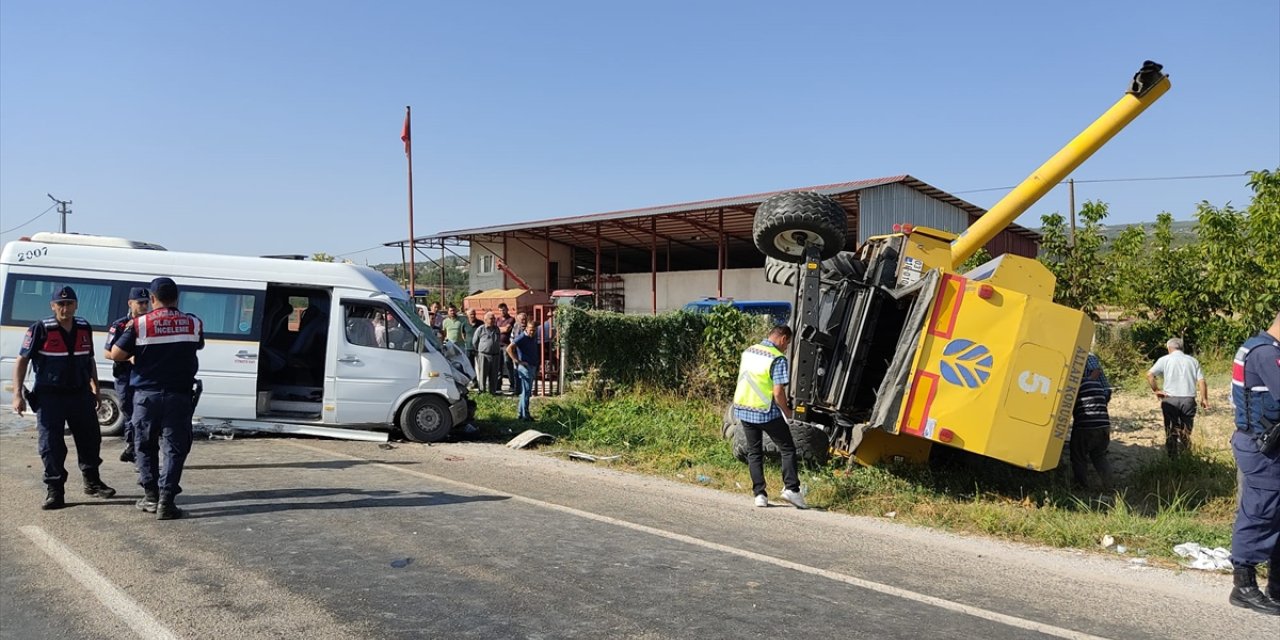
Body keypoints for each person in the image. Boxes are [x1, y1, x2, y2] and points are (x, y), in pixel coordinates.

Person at [11, 286, 117, 510]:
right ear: (53, 306)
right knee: (51, 445)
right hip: (50, 397)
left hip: (80, 394)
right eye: (60, 304)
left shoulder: (83, 327)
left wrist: (96, 388)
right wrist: (17, 395)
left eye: (69, 303)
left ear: (76, 305)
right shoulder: (40, 329)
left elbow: (89, 359)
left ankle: (92, 482)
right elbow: (22, 361)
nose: (65, 308)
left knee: (90, 440)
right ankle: (55, 490)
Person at [107, 277, 204, 520]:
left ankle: (151, 496)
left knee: (145, 445)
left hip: (146, 397)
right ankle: (166, 502)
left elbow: (116, 353)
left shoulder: (139, 324)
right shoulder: (193, 322)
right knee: (174, 448)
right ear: (177, 298)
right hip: (179, 396)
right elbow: (198, 345)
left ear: (152, 298)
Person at [1226, 311, 1280, 615]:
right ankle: (1243, 587)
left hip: (1263, 445)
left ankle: (1276, 588)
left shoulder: (1260, 347)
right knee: (1260, 511)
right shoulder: (1265, 353)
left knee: (1275, 513)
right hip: (1262, 448)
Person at [732, 325, 806, 509]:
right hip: (766, 412)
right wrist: (787, 411)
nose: (786, 348)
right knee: (787, 448)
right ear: (783, 339)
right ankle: (792, 489)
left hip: (744, 408)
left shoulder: (749, 351)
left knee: (754, 452)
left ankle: (759, 494)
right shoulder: (777, 358)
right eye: (787, 344)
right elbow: (778, 392)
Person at [104, 287, 151, 463]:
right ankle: (132, 446)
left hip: (144, 376)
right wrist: (128, 357)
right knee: (129, 412)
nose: (144, 306)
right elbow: (107, 353)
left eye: (146, 303)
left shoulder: (151, 324)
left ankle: (136, 450)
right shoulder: (120, 325)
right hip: (125, 376)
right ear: (130, 303)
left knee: (141, 415)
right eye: (140, 303)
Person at [1147, 338, 1209, 457]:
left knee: (1171, 430)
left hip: (1170, 399)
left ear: (1169, 348)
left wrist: (1156, 390)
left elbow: (1150, 375)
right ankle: (1186, 455)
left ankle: (1172, 457)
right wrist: (1204, 398)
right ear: (1182, 348)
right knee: (1186, 430)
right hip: (1188, 400)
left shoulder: (1164, 360)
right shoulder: (1193, 361)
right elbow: (1201, 381)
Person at [1070, 353, 1114, 491]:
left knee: (1078, 456)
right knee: (1099, 456)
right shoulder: (1097, 385)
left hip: (1086, 427)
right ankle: (1109, 485)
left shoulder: (1075, 387)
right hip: (1104, 426)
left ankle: (1081, 487)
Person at [507, 320, 542, 421]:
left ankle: (521, 413)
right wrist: (517, 361)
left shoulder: (533, 337)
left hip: (532, 366)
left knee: (525, 392)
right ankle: (525, 415)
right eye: (530, 330)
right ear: (526, 328)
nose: (532, 332)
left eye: (534, 330)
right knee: (526, 392)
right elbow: (509, 349)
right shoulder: (522, 337)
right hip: (525, 367)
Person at [473, 312, 502, 394]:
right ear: (485, 320)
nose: (493, 320)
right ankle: (482, 392)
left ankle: (492, 392)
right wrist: (480, 350)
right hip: (484, 355)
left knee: (494, 375)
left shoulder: (497, 329)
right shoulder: (480, 329)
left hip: (495, 355)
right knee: (482, 374)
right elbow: (475, 342)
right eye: (491, 318)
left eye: (494, 318)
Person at [495, 303, 515, 392]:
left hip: (506, 345)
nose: (502, 312)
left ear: (507, 309)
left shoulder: (511, 319)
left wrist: (498, 329)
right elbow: (494, 329)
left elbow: (507, 329)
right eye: (500, 310)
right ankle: (498, 385)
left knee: (508, 365)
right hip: (497, 345)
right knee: (498, 366)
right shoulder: (497, 319)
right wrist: (500, 329)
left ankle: (512, 385)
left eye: (503, 310)